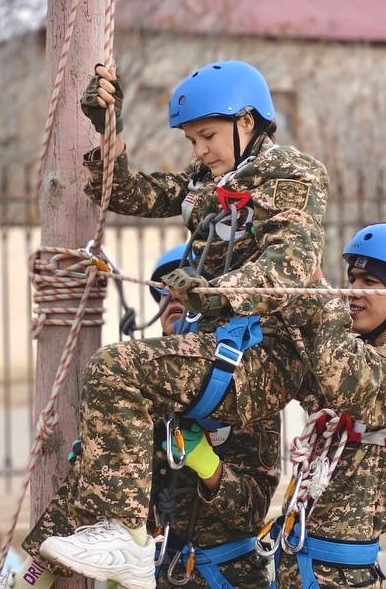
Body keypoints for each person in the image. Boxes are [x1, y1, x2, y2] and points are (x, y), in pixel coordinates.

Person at [34, 60, 329, 589]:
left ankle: (126, 538)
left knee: (117, 368)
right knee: (99, 454)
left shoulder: (289, 175)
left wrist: (214, 290)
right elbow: (128, 194)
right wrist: (109, 132)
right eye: (192, 141)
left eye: (208, 136)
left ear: (246, 121)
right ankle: (18, 577)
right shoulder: (208, 183)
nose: (200, 151)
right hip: (218, 348)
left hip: (262, 354)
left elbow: (290, 263)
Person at [268, 224, 386, 589]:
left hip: (340, 576)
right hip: (293, 561)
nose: (353, 290)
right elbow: (298, 347)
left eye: (370, 281)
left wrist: (320, 295)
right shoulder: (341, 348)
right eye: (352, 278)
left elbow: (354, 380)